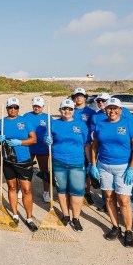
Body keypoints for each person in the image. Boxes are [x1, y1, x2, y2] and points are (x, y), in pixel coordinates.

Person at [89, 97, 133, 247]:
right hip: (104, 166)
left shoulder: (128, 124)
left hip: (123, 168)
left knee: (124, 201)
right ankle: (115, 227)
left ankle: (129, 231)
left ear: (120, 110)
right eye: (109, 108)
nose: (112, 111)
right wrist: (93, 165)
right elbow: (95, 146)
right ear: (105, 110)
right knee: (109, 197)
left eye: (115, 108)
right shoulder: (100, 124)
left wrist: (132, 168)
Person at [0, 97, 38, 231]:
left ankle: (29, 218)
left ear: (18, 109)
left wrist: (20, 142)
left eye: (15, 107)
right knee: (12, 187)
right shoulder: (1, 122)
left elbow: (33, 139)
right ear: (7, 108)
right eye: (10, 107)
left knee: (26, 189)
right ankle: (15, 214)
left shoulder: (25, 121)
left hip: (23, 160)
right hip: (8, 160)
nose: (13, 109)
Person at [91, 92, 133, 214]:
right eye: (99, 101)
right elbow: (94, 138)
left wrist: (132, 166)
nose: (101, 103)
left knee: (126, 189)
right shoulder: (96, 117)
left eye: (103, 100)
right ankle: (108, 206)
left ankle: (131, 207)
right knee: (107, 190)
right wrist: (93, 163)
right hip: (105, 157)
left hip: (124, 156)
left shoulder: (125, 112)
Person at [50, 99, 92, 232]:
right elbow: (49, 140)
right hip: (58, 162)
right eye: (64, 109)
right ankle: (65, 215)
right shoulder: (53, 124)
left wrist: (91, 163)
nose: (67, 111)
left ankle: (76, 218)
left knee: (77, 192)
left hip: (77, 163)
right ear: (60, 110)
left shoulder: (81, 125)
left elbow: (87, 145)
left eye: (69, 109)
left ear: (73, 110)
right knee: (61, 190)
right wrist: (48, 141)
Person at [24, 96, 52, 202]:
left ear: (43, 106)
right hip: (29, 147)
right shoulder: (27, 116)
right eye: (35, 106)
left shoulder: (48, 117)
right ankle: (25, 189)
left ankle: (46, 192)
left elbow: (51, 132)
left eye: (39, 106)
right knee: (26, 169)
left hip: (43, 147)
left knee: (44, 170)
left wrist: (49, 139)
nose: (37, 108)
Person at [72, 88, 97, 205]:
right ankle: (73, 192)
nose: (78, 97)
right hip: (72, 146)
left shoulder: (91, 112)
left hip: (86, 145)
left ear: (85, 97)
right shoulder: (71, 110)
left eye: (81, 95)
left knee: (86, 170)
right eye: (76, 95)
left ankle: (87, 193)